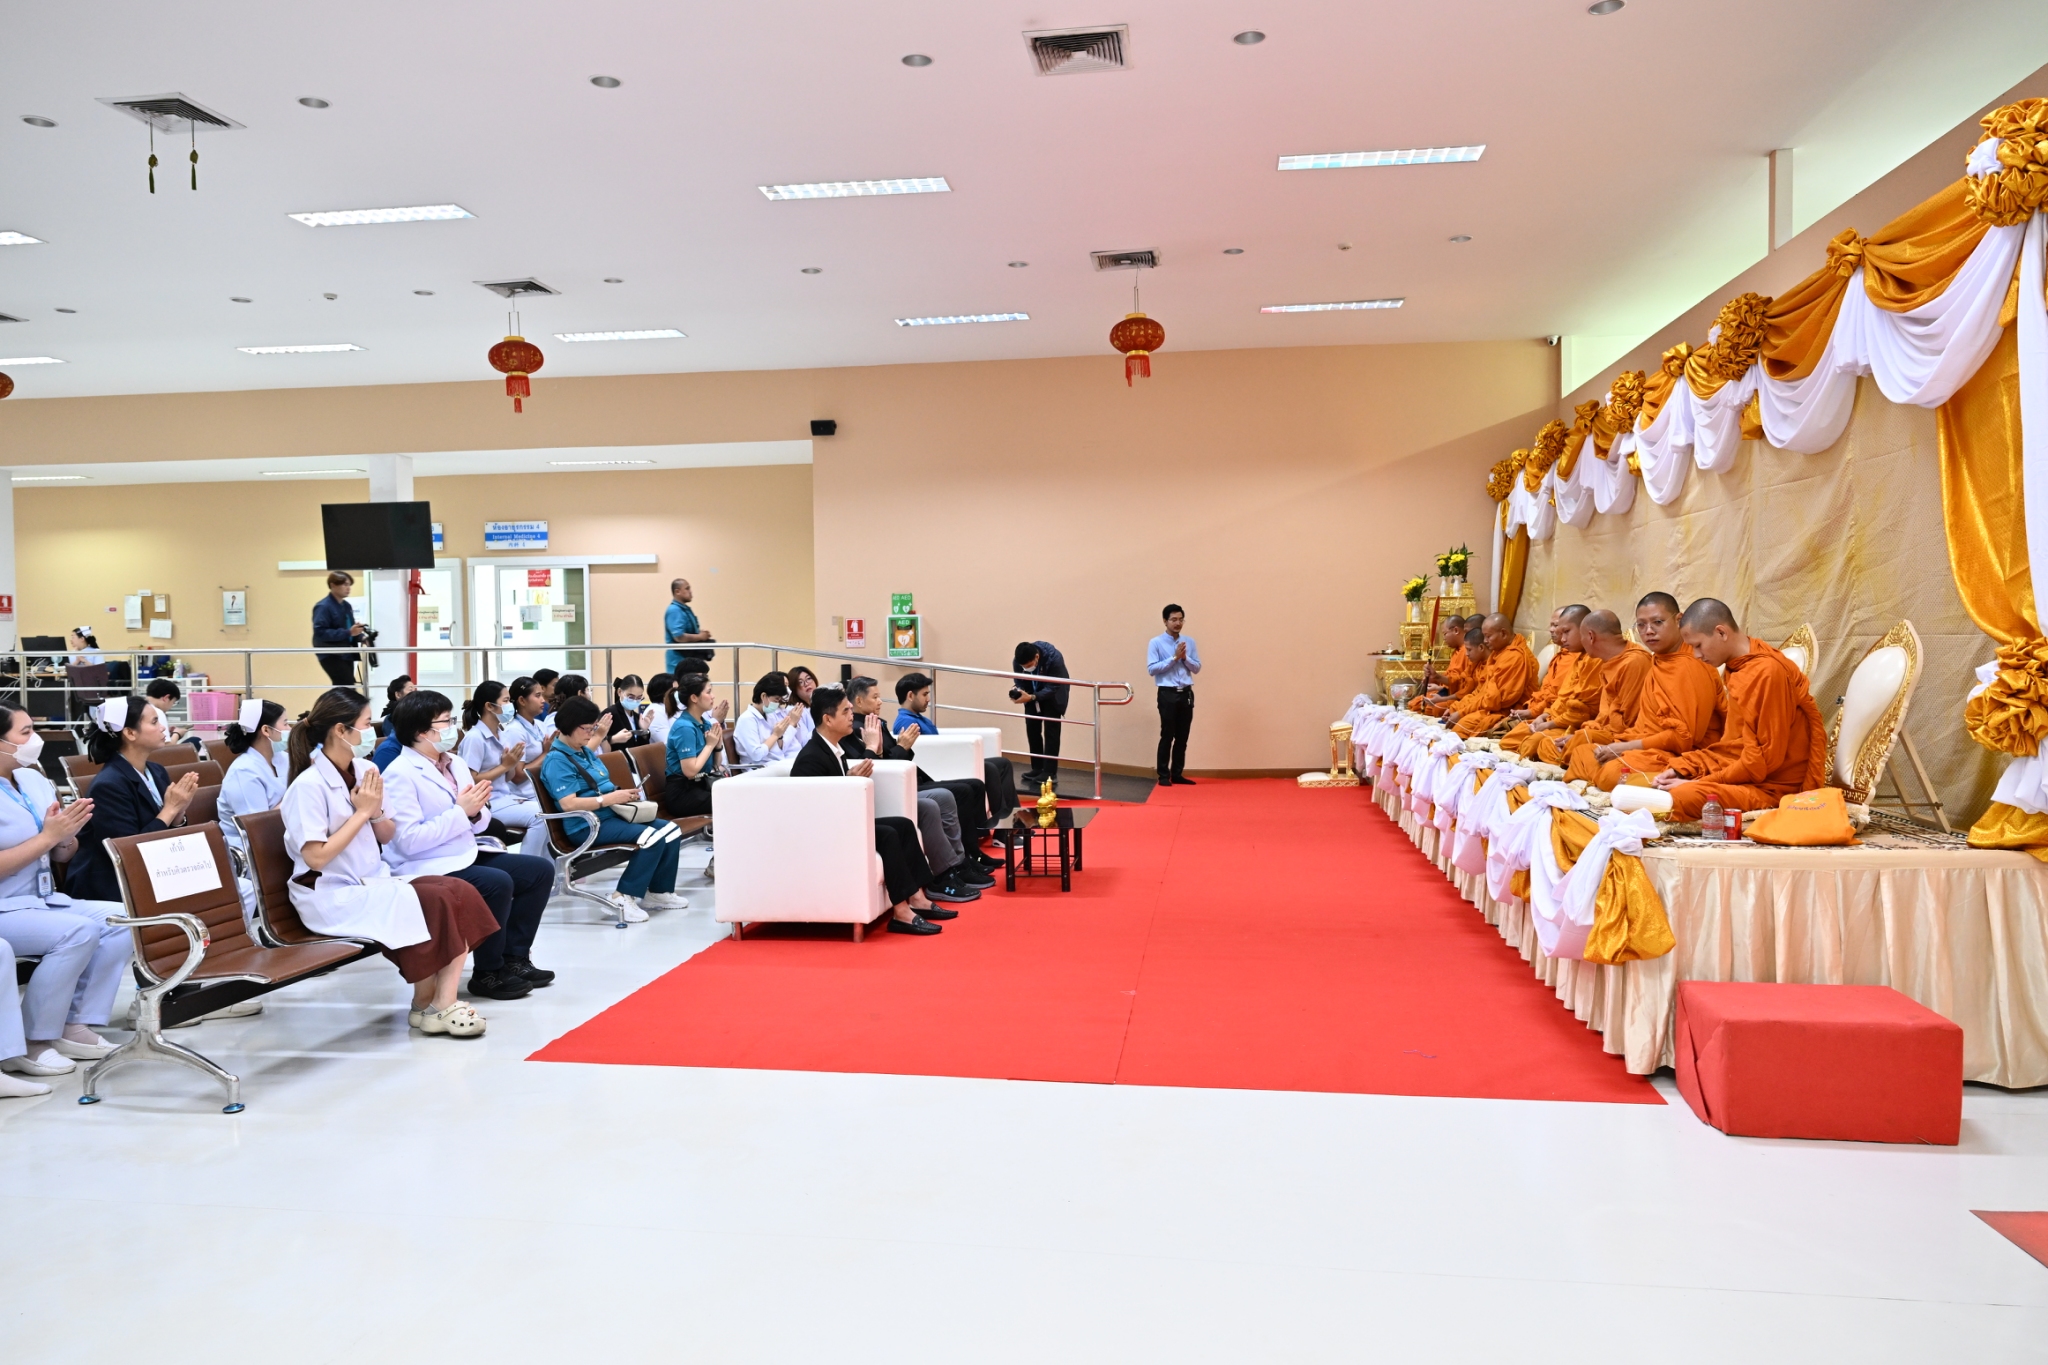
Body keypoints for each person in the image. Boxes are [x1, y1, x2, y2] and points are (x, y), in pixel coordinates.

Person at [281, 689, 500, 1037]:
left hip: (372, 878)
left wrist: (375, 813)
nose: (373, 731)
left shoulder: (366, 769)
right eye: (366, 724)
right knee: (433, 899)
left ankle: (435, 1002)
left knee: (459, 891)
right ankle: (434, 1004)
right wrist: (363, 812)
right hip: (331, 893)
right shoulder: (307, 786)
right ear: (341, 731)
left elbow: (386, 834)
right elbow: (316, 856)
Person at [381, 691, 557, 1000]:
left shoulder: (455, 763)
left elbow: (480, 815)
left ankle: (514, 958)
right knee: (496, 882)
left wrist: (473, 813)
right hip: (424, 863)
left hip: (463, 852)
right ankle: (488, 971)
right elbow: (408, 841)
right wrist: (461, 813)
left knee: (539, 871)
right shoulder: (399, 774)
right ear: (421, 732)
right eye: (445, 722)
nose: (453, 727)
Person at [0, 702, 129, 1090]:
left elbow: (60, 854)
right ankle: (34, 1039)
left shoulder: (33, 779)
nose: (35, 739)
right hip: (6, 906)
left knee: (120, 921)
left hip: (41, 898)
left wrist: (66, 837)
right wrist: (48, 837)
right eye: (25, 733)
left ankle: (73, 1024)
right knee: (77, 932)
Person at [1649, 599, 1827, 820]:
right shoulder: (1739, 666)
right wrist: (1685, 770)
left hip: (1772, 787)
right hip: (1746, 771)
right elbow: (1734, 746)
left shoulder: (1766, 672)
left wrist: (1699, 781)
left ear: (1721, 632)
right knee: (1672, 771)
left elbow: (1763, 761)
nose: (1696, 655)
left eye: (1698, 645)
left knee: (1681, 796)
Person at [792, 687, 944, 935]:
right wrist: (848, 783)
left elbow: (831, 791)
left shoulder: (832, 749)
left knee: (903, 825)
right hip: (822, 832)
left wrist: (847, 778)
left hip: (841, 822)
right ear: (828, 719)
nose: (852, 715)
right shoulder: (811, 757)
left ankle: (917, 897)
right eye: (845, 711)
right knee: (888, 834)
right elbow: (814, 808)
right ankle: (901, 912)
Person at [537, 695, 686, 924]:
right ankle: (622, 896)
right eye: (587, 729)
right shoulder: (558, 760)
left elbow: (600, 784)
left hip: (610, 815)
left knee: (671, 831)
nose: (591, 734)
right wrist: (609, 798)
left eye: (593, 728)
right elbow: (569, 804)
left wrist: (622, 795)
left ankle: (658, 891)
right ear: (569, 726)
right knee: (652, 837)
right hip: (586, 825)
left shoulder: (582, 751)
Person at [843, 676, 991, 900]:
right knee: (946, 797)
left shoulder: (875, 723)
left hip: (905, 781)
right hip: (893, 790)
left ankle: (963, 861)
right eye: (875, 697)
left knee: (965, 789)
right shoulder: (858, 730)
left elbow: (892, 759)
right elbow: (882, 767)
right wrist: (898, 746)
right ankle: (952, 869)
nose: (881, 701)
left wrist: (902, 747)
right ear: (859, 701)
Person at [1567, 593, 1724, 789]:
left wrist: (1625, 747)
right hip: (1649, 745)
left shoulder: (1690, 665)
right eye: (1641, 625)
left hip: (1684, 753)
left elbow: (1683, 739)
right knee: (1582, 753)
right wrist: (1622, 744)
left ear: (1679, 620)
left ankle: (1679, 781)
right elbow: (1645, 725)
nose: (1648, 631)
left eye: (1657, 622)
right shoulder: (1660, 660)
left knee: (1611, 774)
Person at [65, 696, 202, 904]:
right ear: (130, 733)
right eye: (154, 722)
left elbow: (170, 828)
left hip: (158, 869)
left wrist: (178, 812)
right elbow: (129, 851)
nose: (163, 728)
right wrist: (170, 809)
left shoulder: (156, 771)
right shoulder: (108, 785)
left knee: (238, 887)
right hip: (112, 884)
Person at [1532, 611, 1652, 766]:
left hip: (1623, 740)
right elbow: (1603, 715)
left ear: (1590, 637)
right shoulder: (1608, 661)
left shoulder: (1634, 663)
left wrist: (1586, 735)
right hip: (1601, 731)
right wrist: (1583, 734)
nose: (1563, 639)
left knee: (1569, 750)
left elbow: (1626, 725)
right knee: (1547, 745)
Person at [893, 671, 1019, 819]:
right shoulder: (906, 723)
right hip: (937, 767)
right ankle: (1000, 822)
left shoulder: (918, 718)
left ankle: (1013, 817)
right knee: (990, 768)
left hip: (944, 760)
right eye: (924, 694)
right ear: (910, 696)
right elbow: (921, 754)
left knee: (1002, 763)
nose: (928, 699)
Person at [458, 680, 549, 857]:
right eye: (506, 701)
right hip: (487, 803)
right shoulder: (475, 737)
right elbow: (470, 780)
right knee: (541, 817)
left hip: (506, 797)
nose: (510, 705)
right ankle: (529, 866)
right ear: (489, 706)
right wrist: (505, 765)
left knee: (551, 812)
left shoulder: (500, 733)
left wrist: (511, 764)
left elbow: (507, 778)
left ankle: (549, 868)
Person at [1502, 607, 1604, 758]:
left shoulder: (1596, 660)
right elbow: (1561, 698)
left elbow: (1581, 712)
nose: (1562, 638)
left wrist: (1548, 722)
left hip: (1584, 726)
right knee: (1510, 739)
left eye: (1566, 631)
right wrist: (1543, 716)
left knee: (1537, 745)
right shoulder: (1578, 658)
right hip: (1557, 717)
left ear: (1586, 630)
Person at [1440, 613, 1539, 739]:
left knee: (1461, 728)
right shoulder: (1497, 653)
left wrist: (1461, 713)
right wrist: (1457, 708)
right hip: (1489, 706)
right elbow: (1480, 691)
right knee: (1457, 723)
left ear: (1503, 633)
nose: (1485, 641)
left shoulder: (1515, 657)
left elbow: (1497, 701)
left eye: (1488, 636)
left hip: (1507, 711)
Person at [218, 698, 288, 860]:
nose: (289, 729)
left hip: (282, 837)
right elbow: (258, 826)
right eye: (285, 724)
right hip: (251, 853)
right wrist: (294, 800)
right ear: (266, 730)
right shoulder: (243, 772)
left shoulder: (283, 758)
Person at [1146, 604, 1202, 786]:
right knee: (1167, 735)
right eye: (1173, 619)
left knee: (1182, 736)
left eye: (1180, 619)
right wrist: (1174, 658)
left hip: (1186, 693)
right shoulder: (1156, 642)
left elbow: (1197, 668)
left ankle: (1177, 774)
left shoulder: (1189, 642)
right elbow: (1152, 669)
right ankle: (1163, 775)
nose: (1178, 623)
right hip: (1167, 694)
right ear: (1165, 621)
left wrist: (1185, 658)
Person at [660, 673, 729, 818]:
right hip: (682, 793)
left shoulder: (705, 723)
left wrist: (717, 746)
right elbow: (690, 771)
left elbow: (715, 765)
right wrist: (709, 746)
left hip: (702, 785)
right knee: (730, 802)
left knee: (738, 795)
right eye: (708, 692)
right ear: (694, 698)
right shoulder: (684, 728)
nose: (713, 696)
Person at [1010, 640, 1070, 789]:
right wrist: (1020, 691)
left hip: (1053, 695)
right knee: (1032, 728)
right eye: (1024, 666)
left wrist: (1033, 697)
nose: (1026, 668)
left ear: (1037, 657)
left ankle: (1050, 772)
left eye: (1029, 665)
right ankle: (1037, 767)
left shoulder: (1054, 658)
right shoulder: (1018, 661)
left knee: (1051, 731)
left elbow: (1054, 685)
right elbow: (1019, 679)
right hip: (1031, 693)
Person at [733, 671, 804, 766]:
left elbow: (781, 748)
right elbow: (756, 755)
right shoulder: (747, 719)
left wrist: (780, 736)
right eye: (776, 699)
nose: (777, 704)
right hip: (758, 768)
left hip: (777, 763)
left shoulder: (769, 715)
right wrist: (776, 735)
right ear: (764, 696)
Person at [312, 570, 366, 688]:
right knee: (346, 685)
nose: (348, 588)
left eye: (349, 585)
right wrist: (349, 632)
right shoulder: (323, 607)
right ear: (333, 585)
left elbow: (351, 629)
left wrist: (362, 637)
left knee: (346, 687)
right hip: (331, 653)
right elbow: (320, 632)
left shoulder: (346, 606)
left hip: (346, 652)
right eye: (345, 584)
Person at [1411, 614, 1471, 712]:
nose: (1443, 638)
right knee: (1416, 702)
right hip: (1450, 692)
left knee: (1433, 708)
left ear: (1456, 630)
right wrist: (1434, 680)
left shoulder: (1467, 651)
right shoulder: (1457, 651)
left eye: (1445, 633)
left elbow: (1461, 682)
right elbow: (1451, 677)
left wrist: (1437, 676)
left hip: (1460, 697)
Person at [663, 578, 714, 674]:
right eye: (687, 588)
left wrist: (700, 634)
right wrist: (700, 637)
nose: (690, 591)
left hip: (689, 661)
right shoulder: (674, 610)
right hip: (679, 662)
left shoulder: (685, 610)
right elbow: (679, 636)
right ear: (677, 592)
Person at [594, 675, 646, 752]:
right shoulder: (609, 715)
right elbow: (596, 742)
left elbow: (643, 747)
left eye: (639, 698)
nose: (635, 701)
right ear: (619, 692)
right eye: (631, 697)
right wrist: (613, 739)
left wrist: (644, 730)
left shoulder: (637, 717)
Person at [785, 665, 821, 750]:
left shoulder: (818, 704)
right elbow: (804, 743)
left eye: (808, 678)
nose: (806, 684)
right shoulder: (794, 710)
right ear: (793, 689)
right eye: (800, 682)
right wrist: (823, 727)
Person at [644, 674, 676, 747]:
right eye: (674, 690)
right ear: (663, 692)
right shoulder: (655, 712)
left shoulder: (670, 707)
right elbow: (667, 743)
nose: (678, 693)